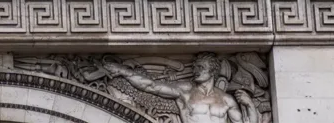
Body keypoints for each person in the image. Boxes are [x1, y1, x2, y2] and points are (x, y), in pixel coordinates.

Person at [100, 53, 263, 123]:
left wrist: (249, 105)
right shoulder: (185, 90)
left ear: (213, 70)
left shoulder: (227, 99)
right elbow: (151, 86)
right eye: (194, 67)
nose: (195, 70)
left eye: (201, 67)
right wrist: (122, 70)